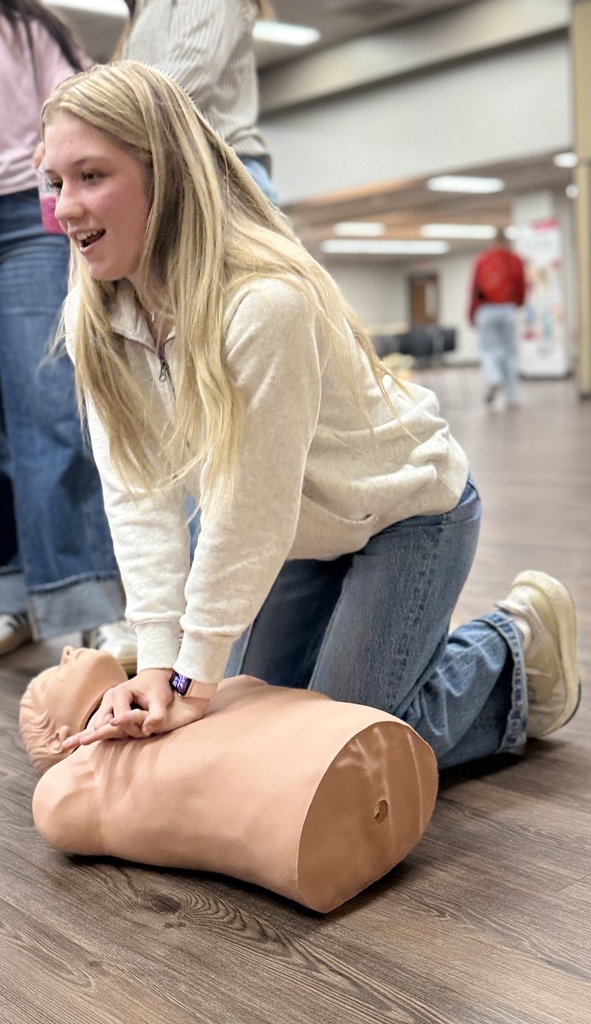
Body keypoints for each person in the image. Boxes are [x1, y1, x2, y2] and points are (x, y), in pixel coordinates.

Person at [40, 61, 580, 770]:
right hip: (301, 536)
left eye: (90, 176)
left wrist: (191, 674)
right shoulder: (97, 315)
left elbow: (246, 508)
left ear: (163, 172)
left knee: (329, 757)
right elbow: (139, 498)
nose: (66, 207)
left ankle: (509, 648)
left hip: (405, 515)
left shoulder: (264, 302)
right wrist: (157, 663)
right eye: (55, 183)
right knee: (252, 731)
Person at [0, 0, 136, 672]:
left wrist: (64, 158)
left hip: (20, 221)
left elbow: (83, 105)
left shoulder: (30, 25)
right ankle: (1, 595)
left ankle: (87, 602)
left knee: (47, 405)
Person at [119, 0, 277, 203]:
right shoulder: (145, 6)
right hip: (179, 170)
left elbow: (188, 74)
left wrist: (111, 115)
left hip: (222, 170)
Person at [469, 227, 527, 407]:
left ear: (492, 242)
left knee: (488, 349)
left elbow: (474, 289)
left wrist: (472, 313)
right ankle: (511, 396)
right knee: (510, 352)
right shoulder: (515, 260)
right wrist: (516, 304)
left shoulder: (482, 259)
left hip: (486, 310)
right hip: (508, 309)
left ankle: (493, 377)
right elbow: (521, 286)